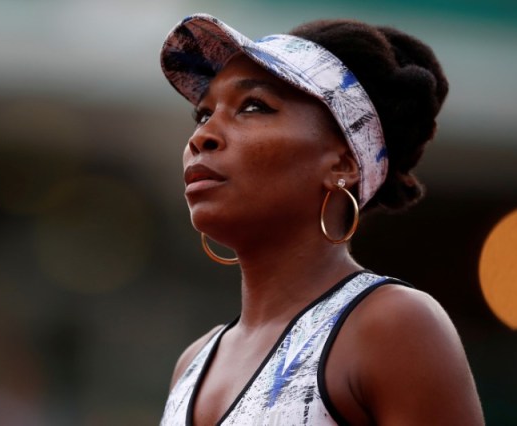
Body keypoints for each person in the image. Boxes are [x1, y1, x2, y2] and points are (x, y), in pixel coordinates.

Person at [159, 13, 484, 425]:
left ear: (343, 163)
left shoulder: (392, 325)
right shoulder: (193, 362)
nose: (201, 136)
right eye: (203, 114)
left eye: (253, 106)